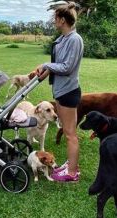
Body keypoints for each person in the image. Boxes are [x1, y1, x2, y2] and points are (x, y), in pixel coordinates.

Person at [33, 2, 84, 182]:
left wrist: (46, 65)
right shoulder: (63, 39)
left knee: (70, 134)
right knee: (66, 129)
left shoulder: (74, 39)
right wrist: (41, 74)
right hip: (60, 91)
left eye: (55, 18)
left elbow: (67, 67)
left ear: (62, 20)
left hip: (69, 91)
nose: (53, 21)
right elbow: (57, 65)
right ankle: (71, 165)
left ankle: (72, 173)